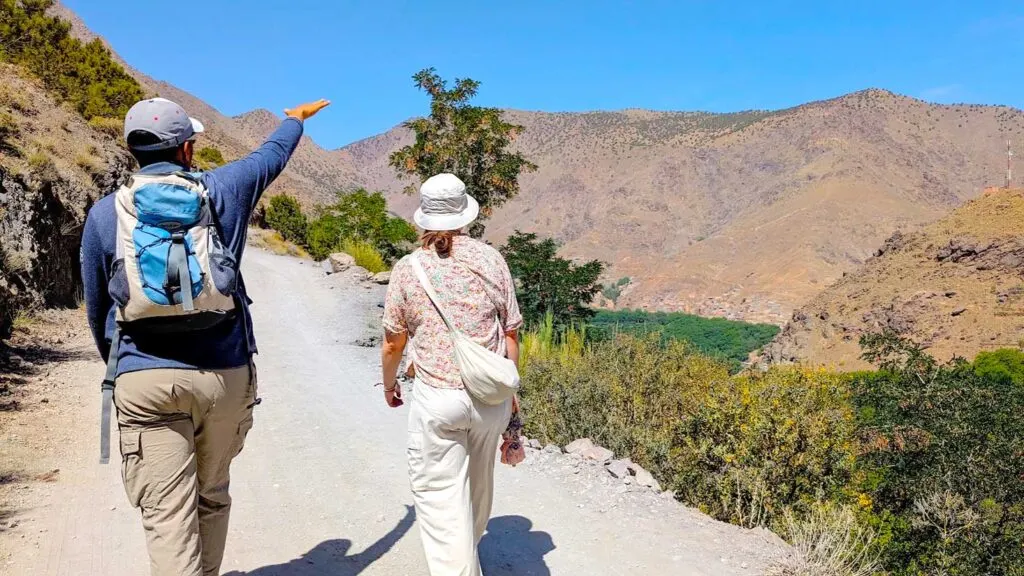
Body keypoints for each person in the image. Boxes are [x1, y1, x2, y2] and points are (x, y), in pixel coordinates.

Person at [81, 96, 329, 576]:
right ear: (187, 150)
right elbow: (269, 157)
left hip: (145, 379)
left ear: (134, 150)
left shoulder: (105, 214)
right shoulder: (223, 190)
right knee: (211, 494)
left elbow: (99, 309)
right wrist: (293, 121)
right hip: (224, 375)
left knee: (167, 516)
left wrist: (123, 366)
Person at [381, 173, 526, 576]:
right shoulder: (491, 260)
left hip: (439, 399)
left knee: (443, 503)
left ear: (425, 219)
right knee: (478, 494)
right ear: (465, 215)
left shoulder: (408, 269)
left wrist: (390, 384)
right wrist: (511, 397)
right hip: (490, 397)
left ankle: (459, 567)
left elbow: (394, 343)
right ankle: (468, 558)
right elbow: (511, 334)